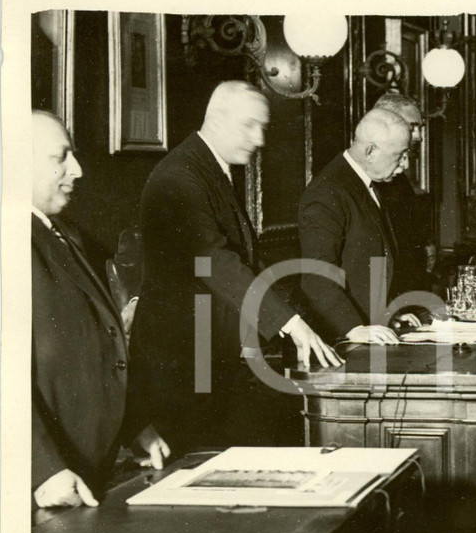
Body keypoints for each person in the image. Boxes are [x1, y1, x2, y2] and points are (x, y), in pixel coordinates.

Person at [128, 82, 339, 453]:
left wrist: (309, 320)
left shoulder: (207, 168)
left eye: (263, 127)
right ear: (216, 119)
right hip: (183, 362)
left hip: (212, 354)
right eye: (249, 126)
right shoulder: (181, 176)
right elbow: (216, 261)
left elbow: (247, 261)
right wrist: (291, 323)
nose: (259, 139)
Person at [32, 111, 168, 509]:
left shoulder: (61, 232)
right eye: (60, 157)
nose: (77, 169)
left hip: (84, 473)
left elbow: (94, 346)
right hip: (44, 488)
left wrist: (133, 424)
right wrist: (42, 471)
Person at [298, 108, 417, 343]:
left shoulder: (363, 182)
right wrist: (354, 328)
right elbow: (316, 277)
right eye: (400, 155)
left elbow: (361, 265)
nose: (405, 164)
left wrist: (385, 314)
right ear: (371, 151)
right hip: (337, 338)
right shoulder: (327, 191)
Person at [371, 92, 428, 295]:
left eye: (420, 128)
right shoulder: (367, 176)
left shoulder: (399, 179)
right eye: (412, 127)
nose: (419, 136)